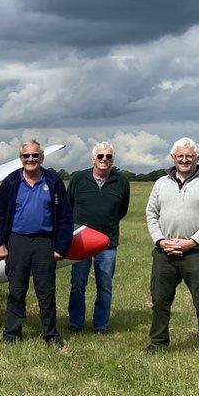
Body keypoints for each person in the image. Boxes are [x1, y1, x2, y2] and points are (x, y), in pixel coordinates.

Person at [146, 137, 199, 365]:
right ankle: (158, 342)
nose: (184, 160)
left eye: (189, 156)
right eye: (180, 156)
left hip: (196, 254)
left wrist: (192, 242)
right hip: (164, 253)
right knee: (160, 300)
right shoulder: (161, 183)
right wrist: (160, 241)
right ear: (173, 158)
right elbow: (151, 214)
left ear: (197, 158)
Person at [0, 140, 73, 348]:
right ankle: (12, 332)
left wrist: (60, 247)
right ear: (21, 159)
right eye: (26, 156)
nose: (30, 159)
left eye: (35, 155)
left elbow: (65, 218)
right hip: (17, 241)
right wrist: (0, 244)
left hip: (44, 242)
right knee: (16, 290)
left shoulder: (53, 182)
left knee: (46, 292)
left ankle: (51, 334)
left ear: (42, 158)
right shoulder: (11, 182)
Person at [67, 141, 130, 334]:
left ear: (113, 160)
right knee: (78, 284)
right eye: (100, 156)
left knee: (105, 284)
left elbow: (122, 210)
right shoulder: (78, 178)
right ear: (93, 159)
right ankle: (75, 323)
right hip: (81, 241)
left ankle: (100, 324)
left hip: (107, 242)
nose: (104, 160)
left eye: (108, 156)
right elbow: (68, 206)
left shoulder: (122, 181)